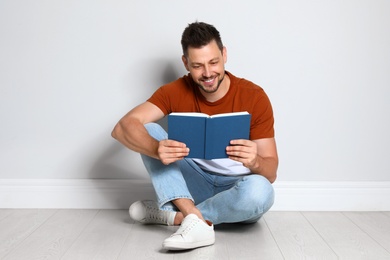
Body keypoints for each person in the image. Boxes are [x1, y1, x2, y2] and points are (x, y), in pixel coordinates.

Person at [111, 21, 278, 251]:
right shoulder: (174, 91)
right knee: (149, 131)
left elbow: (271, 173)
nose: (208, 73)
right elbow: (122, 128)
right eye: (198, 65)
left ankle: (176, 217)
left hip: (236, 191)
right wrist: (155, 148)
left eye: (213, 62)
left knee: (261, 191)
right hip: (193, 184)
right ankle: (192, 215)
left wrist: (256, 161)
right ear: (185, 63)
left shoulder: (254, 96)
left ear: (224, 54)